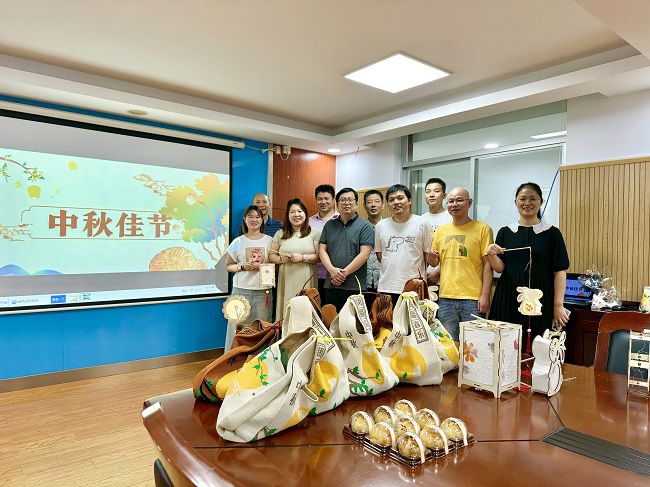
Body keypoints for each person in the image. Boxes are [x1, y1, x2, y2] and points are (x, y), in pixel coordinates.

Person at [487, 182, 570, 339]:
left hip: (541, 297)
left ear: (541, 202)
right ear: (516, 202)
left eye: (533, 199)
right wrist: (491, 254)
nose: (527, 203)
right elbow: (500, 268)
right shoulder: (505, 232)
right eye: (523, 199)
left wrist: (558, 305)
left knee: (538, 343)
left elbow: (560, 271)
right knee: (505, 342)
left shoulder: (552, 233)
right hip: (508, 295)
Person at [430, 187, 494, 341]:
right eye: (451, 201)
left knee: (475, 345)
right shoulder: (441, 231)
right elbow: (435, 262)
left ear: (469, 203)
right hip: (445, 297)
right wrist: (430, 257)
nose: (454, 204)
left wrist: (485, 295)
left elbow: (488, 265)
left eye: (459, 200)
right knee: (449, 345)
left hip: (473, 299)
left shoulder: (483, 229)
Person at [224, 205, 274, 351]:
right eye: (250, 216)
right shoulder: (238, 241)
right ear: (245, 220)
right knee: (235, 328)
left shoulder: (270, 241)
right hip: (240, 291)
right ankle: (231, 358)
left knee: (262, 328)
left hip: (263, 292)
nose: (254, 219)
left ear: (262, 220)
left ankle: (259, 360)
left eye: (257, 217)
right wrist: (243, 266)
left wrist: (262, 266)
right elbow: (228, 266)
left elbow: (275, 263)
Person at [319, 187, 374, 311]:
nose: (346, 203)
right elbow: (322, 250)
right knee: (331, 319)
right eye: (342, 200)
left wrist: (342, 274)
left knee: (353, 321)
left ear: (356, 203)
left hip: (355, 285)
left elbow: (364, 254)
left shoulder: (365, 226)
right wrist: (332, 270)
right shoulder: (329, 225)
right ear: (337, 204)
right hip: (331, 284)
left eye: (350, 200)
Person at [375, 184, 431, 305]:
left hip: (414, 287)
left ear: (409, 200)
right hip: (387, 287)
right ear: (387, 204)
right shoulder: (381, 225)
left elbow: (427, 257)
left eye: (400, 198)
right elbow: (380, 256)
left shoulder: (422, 223)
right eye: (391, 200)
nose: (396, 202)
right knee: (386, 317)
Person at [269, 198, 320, 319]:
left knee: (305, 311)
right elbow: (272, 255)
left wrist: (302, 258)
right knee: (287, 310)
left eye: (300, 211)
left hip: (307, 279)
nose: (296, 214)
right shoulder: (280, 233)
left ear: (305, 213)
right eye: (292, 212)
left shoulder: (315, 233)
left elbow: (319, 257)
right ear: (288, 215)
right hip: (286, 279)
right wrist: (281, 260)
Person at [420, 178, 453, 285]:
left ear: (444, 195)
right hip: (423, 278)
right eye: (428, 191)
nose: (431, 195)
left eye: (436, 191)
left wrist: (438, 272)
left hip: (446, 277)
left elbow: (453, 249)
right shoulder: (420, 220)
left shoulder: (451, 218)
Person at [308, 184, 338, 299]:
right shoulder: (309, 222)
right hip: (314, 274)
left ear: (333, 199)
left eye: (326, 198)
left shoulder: (341, 220)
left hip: (336, 275)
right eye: (320, 199)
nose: (323, 202)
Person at [363, 189, 384, 292]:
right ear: (364, 206)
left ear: (383, 205)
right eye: (369, 202)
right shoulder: (360, 227)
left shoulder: (389, 227)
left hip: (384, 279)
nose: (373, 205)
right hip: (363, 279)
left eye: (376, 201)